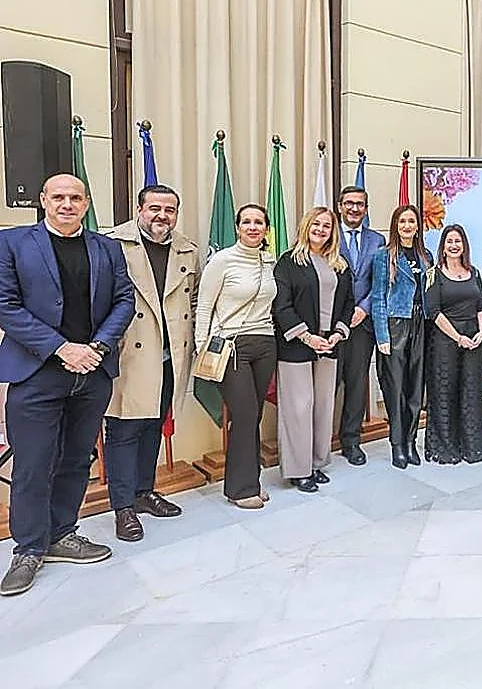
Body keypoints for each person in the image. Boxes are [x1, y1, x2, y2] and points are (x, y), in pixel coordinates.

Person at [0, 174, 135, 597]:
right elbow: (6, 305)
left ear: (87, 203)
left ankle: (62, 533)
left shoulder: (107, 248)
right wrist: (62, 348)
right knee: (32, 465)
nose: (66, 204)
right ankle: (28, 548)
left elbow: (125, 300)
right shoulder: (13, 243)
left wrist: (97, 345)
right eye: (58, 197)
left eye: (75, 197)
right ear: (42, 200)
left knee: (77, 459)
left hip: (92, 373)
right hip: (37, 372)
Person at [103, 184, 199, 542]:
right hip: (130, 354)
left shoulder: (187, 249)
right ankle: (123, 507)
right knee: (124, 430)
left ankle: (144, 492)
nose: (162, 216)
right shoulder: (112, 244)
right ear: (140, 209)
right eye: (155, 208)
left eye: (170, 210)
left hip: (170, 354)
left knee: (153, 426)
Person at [195, 203, 278, 510]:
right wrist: (202, 346)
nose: (253, 227)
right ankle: (240, 489)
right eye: (246, 222)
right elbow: (204, 306)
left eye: (259, 222)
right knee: (243, 415)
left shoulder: (268, 261)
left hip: (265, 343)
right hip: (232, 347)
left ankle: (251, 480)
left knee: (253, 415)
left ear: (266, 228)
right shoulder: (222, 260)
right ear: (238, 227)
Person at [273, 207, 354, 493]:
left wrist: (338, 333)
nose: (321, 229)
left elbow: (348, 303)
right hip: (297, 345)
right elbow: (281, 306)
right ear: (306, 226)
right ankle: (298, 470)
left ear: (334, 231)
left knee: (323, 406)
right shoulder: (288, 262)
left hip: (329, 345)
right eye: (316, 224)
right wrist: (307, 337)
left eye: (327, 226)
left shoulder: (339, 264)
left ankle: (317, 462)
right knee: (298, 407)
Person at [370, 205, 433, 469]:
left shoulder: (426, 256)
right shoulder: (384, 256)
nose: (407, 225)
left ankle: (410, 441)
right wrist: (382, 335)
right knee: (395, 388)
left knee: (415, 388)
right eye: (402, 221)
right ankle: (397, 443)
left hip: (421, 324)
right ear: (395, 225)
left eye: (412, 221)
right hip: (396, 324)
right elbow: (377, 297)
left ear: (418, 226)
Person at [424, 225, 482, 464]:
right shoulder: (433, 274)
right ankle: (445, 449)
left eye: (458, 241)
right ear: (443, 247)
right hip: (445, 341)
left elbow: (481, 307)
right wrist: (457, 337)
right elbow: (434, 312)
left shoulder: (474, 272)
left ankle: (472, 447)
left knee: (471, 393)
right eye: (449, 241)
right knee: (445, 392)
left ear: (464, 246)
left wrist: (481, 332)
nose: (454, 246)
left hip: (474, 339)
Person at [335, 186, 384, 466]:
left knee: (356, 385)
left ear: (366, 209)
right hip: (330, 325)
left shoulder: (377, 241)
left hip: (362, 325)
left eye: (360, 204)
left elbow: (379, 281)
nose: (354, 209)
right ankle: (318, 442)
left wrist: (363, 309)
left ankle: (351, 441)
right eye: (349, 203)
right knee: (326, 386)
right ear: (340, 206)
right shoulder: (327, 235)